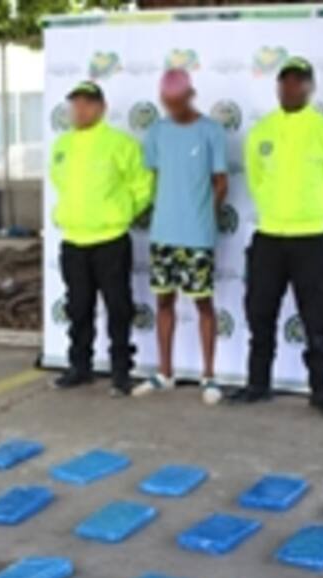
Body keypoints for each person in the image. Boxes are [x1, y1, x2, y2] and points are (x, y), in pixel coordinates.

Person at [225, 56, 323, 418]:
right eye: (284, 83)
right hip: (268, 236)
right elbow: (256, 178)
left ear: (310, 88)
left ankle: (320, 392)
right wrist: (274, 208)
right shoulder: (263, 130)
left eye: (297, 83)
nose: (290, 89)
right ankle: (258, 385)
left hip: (310, 237)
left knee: (316, 317)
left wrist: (315, 209)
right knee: (259, 310)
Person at [50, 80, 154, 396]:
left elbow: (143, 186)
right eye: (75, 104)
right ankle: (80, 367)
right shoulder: (62, 146)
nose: (80, 110)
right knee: (78, 307)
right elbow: (61, 186)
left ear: (101, 108)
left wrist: (121, 212)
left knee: (118, 307)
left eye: (87, 103)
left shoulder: (121, 144)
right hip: (73, 240)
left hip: (110, 239)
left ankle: (121, 372)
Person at [133, 68, 228, 405]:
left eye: (177, 101)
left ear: (190, 95)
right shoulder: (157, 132)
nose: (172, 108)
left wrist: (205, 214)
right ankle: (165, 372)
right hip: (163, 233)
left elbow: (221, 182)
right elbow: (153, 178)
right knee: (163, 301)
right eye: (166, 102)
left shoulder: (211, 131)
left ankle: (209, 376)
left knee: (203, 303)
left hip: (197, 236)